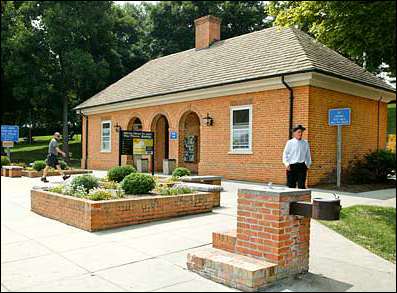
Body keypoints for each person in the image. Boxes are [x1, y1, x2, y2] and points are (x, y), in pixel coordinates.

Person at [282, 124, 312, 189]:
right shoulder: (290, 142)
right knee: (291, 186)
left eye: (301, 132)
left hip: (302, 166)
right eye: (299, 132)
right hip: (292, 167)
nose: (300, 133)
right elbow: (285, 154)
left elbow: (308, 154)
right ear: (294, 133)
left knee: (302, 186)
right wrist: (286, 164)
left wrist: (308, 165)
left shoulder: (305, 143)